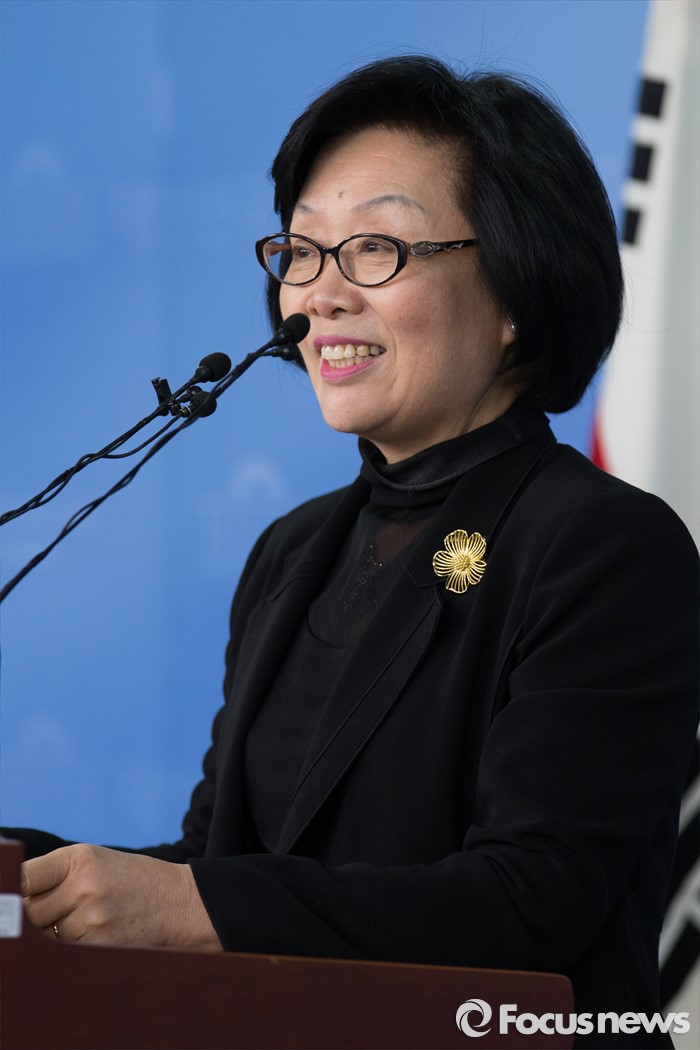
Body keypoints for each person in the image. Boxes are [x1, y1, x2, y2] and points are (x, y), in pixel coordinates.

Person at [8, 56, 698, 1049]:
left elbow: (531, 900)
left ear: (517, 286)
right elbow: (219, 864)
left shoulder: (603, 547)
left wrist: (193, 904)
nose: (319, 296)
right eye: (300, 251)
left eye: (376, 247)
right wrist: (28, 870)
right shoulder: (290, 552)